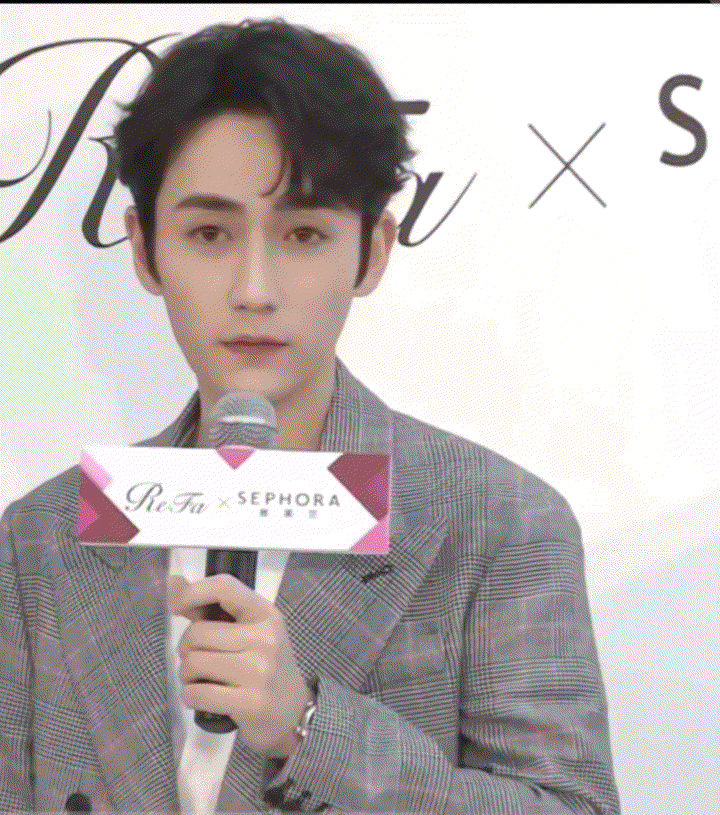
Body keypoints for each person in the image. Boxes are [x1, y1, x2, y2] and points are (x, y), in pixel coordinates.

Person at [0, 18, 621, 815]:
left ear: (373, 251)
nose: (254, 288)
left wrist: (309, 725)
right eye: (209, 233)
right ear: (146, 250)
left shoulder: (498, 522)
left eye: (303, 234)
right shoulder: (44, 538)